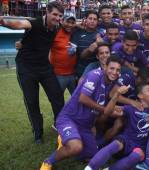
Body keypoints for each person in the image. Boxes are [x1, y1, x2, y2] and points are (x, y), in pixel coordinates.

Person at [40, 56, 123, 170]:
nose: (114, 72)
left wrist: (120, 109)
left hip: (85, 125)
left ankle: (68, 140)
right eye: (112, 68)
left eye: (118, 70)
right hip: (70, 118)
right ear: (105, 66)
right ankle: (48, 161)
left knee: (93, 155)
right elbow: (83, 98)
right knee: (75, 147)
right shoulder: (95, 75)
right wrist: (105, 110)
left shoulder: (112, 82)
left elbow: (104, 105)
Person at [0, 1, 65, 143]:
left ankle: (62, 127)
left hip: (44, 67)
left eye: (60, 15)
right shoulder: (34, 23)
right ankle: (38, 133)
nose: (57, 18)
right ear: (46, 11)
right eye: (54, 14)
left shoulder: (57, 26)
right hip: (26, 67)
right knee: (32, 101)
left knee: (57, 96)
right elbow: (19, 24)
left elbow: (72, 26)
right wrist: (3, 21)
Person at [84, 84, 149, 170]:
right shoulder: (131, 108)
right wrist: (117, 94)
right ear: (140, 95)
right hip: (126, 141)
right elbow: (108, 112)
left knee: (136, 156)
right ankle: (89, 168)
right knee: (115, 144)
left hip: (140, 146)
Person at [50, 12, 77, 95]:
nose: (70, 25)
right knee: (57, 100)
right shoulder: (54, 32)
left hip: (73, 74)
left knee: (76, 100)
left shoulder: (76, 32)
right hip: (59, 75)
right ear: (62, 21)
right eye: (67, 22)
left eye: (72, 23)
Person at [69, 10, 99, 77]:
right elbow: (72, 53)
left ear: (97, 22)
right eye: (90, 18)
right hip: (80, 71)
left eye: (95, 19)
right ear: (85, 19)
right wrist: (76, 25)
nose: (92, 21)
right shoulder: (77, 33)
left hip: (95, 71)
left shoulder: (100, 34)